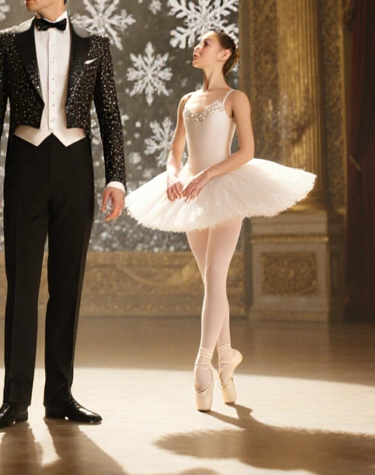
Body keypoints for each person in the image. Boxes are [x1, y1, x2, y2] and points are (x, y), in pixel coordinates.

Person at [0, 0, 127, 431]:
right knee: (21, 287)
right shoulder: (4, 43)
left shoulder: (97, 44)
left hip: (74, 167)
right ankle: (14, 401)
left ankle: (59, 396)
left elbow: (111, 117)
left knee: (68, 286)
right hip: (23, 165)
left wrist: (116, 178)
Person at [125, 31, 315, 411]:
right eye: (198, 44)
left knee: (214, 280)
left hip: (226, 190)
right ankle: (226, 360)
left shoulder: (234, 98)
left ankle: (201, 367)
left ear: (224, 54)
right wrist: (172, 175)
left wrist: (208, 176)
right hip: (191, 196)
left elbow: (247, 150)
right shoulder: (187, 101)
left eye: (206, 44)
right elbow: (174, 152)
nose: (197, 48)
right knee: (213, 284)